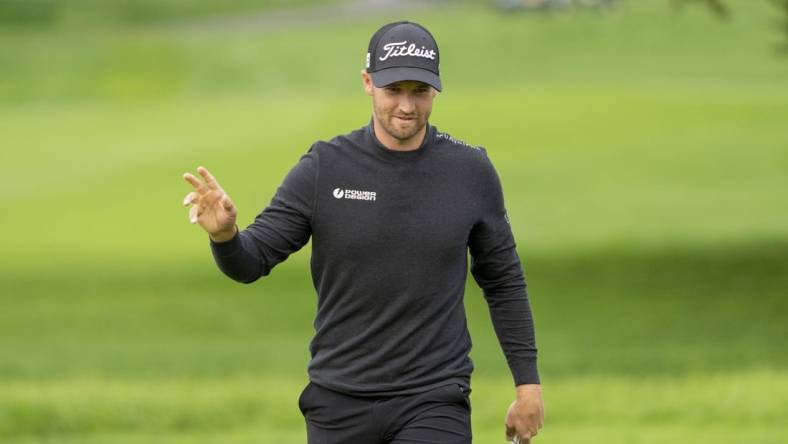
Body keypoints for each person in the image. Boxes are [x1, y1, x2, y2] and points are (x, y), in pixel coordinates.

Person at [182, 21, 544, 444]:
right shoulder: (324, 168)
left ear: (436, 90)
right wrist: (225, 237)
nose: (407, 106)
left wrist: (528, 386)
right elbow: (251, 262)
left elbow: (503, 280)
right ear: (368, 82)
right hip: (338, 400)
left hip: (434, 397)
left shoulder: (469, 171)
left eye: (420, 92)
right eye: (394, 91)